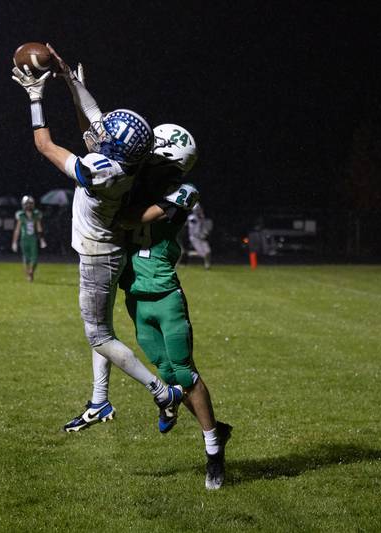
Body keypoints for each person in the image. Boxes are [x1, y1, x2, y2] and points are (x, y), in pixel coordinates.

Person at [11, 44, 183, 432]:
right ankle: (99, 401)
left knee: (98, 336)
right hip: (109, 249)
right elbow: (94, 118)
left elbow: (44, 145)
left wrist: (35, 97)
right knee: (103, 330)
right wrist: (70, 79)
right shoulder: (128, 161)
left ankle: (161, 392)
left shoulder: (101, 170)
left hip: (97, 256)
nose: (101, 131)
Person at [119, 123, 232, 490]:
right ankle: (211, 427)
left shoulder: (184, 192)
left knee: (183, 371)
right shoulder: (133, 183)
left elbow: (133, 219)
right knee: (166, 371)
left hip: (165, 293)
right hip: (135, 295)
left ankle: (213, 451)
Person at [11, 195, 46, 282]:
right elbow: (17, 230)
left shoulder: (36, 215)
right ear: (23, 204)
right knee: (26, 258)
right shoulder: (21, 215)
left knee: (34, 258)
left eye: (30, 203)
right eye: (27, 204)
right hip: (24, 239)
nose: (29, 205)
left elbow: (39, 228)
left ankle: (31, 272)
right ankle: (28, 274)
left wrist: (41, 239)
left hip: (33, 239)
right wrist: (14, 242)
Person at [187, 201, 212, 270]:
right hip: (194, 238)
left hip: (202, 237)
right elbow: (192, 222)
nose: (199, 211)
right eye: (197, 210)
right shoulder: (192, 218)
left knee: (208, 251)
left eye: (199, 210)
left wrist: (205, 233)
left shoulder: (202, 217)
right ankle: (189, 253)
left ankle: (207, 264)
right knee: (202, 254)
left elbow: (204, 226)